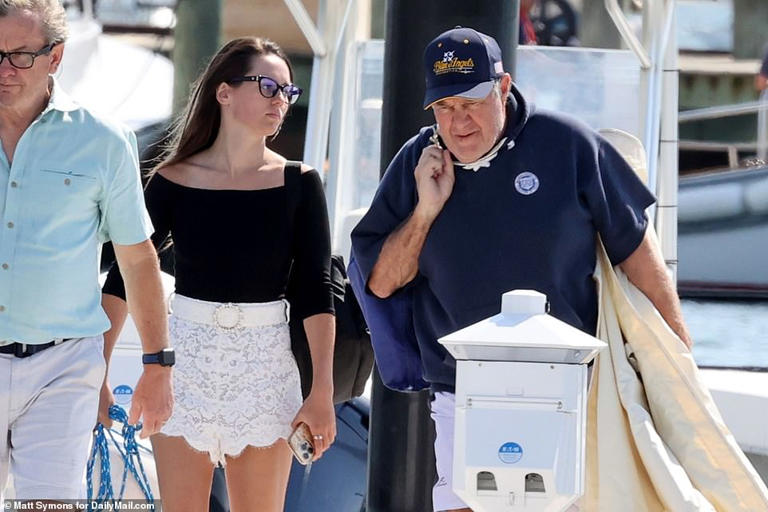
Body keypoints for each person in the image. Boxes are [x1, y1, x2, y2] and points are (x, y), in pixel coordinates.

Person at [350, 26, 692, 512]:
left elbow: (640, 256)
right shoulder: (418, 160)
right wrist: (425, 211)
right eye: (444, 108)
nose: (457, 122)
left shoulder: (568, 145)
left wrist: (680, 368)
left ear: (503, 87)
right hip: (462, 388)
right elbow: (381, 282)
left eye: (470, 102)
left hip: (569, 388)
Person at [102, 37, 336, 512]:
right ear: (224, 92)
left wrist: (322, 392)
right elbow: (125, 276)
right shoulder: (171, 180)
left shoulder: (300, 183)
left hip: (266, 366)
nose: (280, 101)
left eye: (288, 92)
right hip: (181, 363)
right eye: (268, 85)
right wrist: (98, 371)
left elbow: (317, 291)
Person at [0, 0, 172, 501]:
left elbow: (138, 259)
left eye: (20, 55)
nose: (4, 69)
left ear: (55, 58)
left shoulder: (105, 141)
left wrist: (157, 364)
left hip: (62, 367)